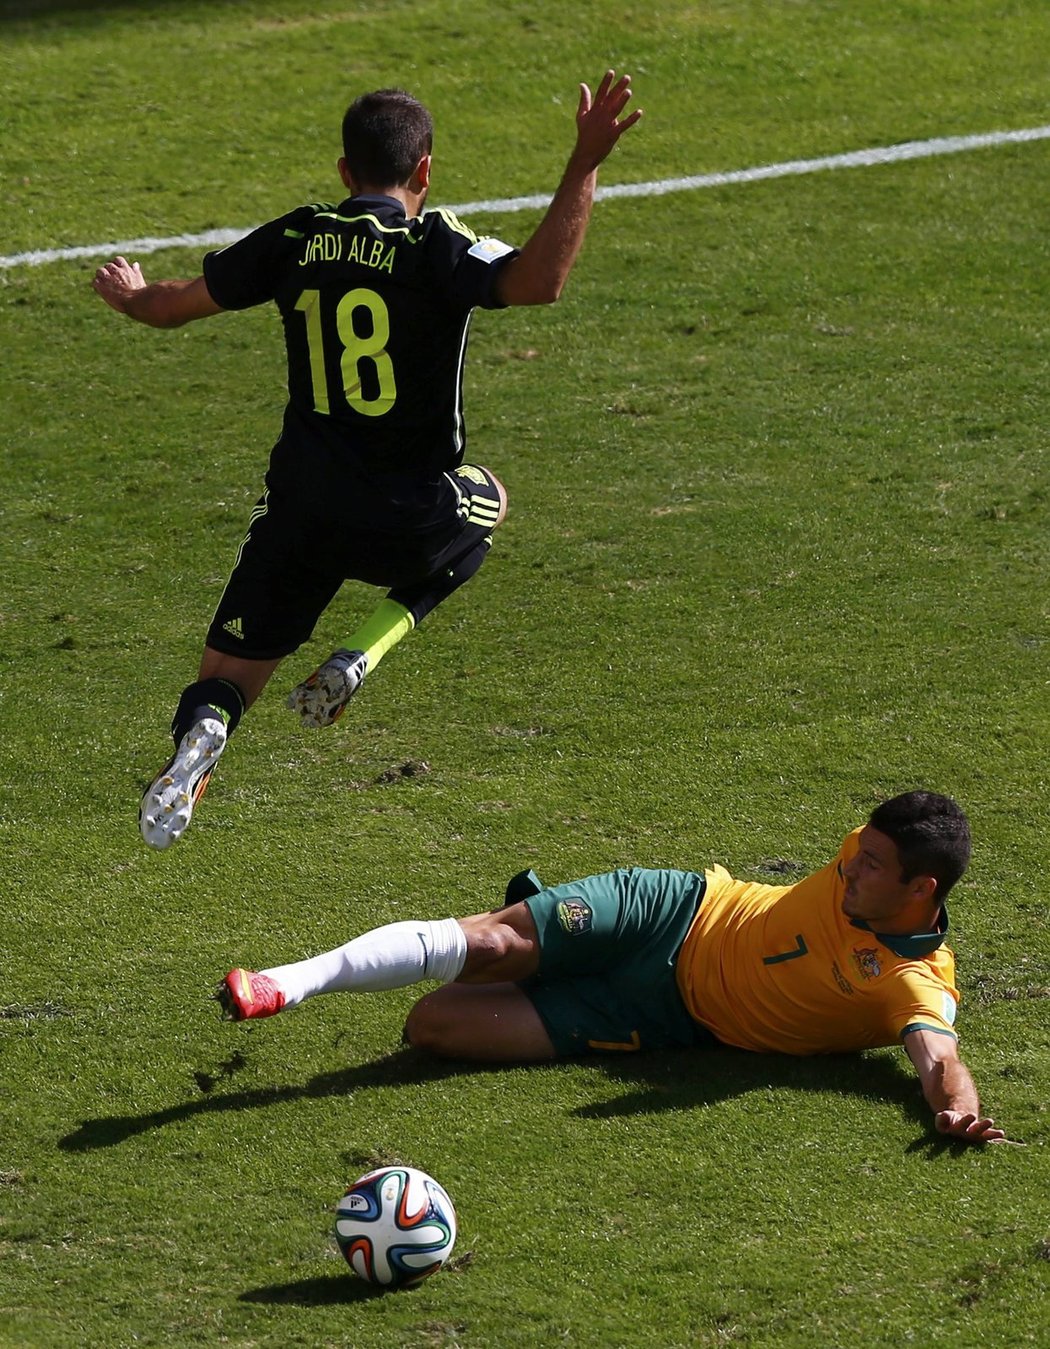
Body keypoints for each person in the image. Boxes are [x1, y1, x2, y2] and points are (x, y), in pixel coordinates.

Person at [92, 73, 642, 850]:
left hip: (302, 513)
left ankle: (202, 736)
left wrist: (130, 293)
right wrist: (585, 161)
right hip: (406, 519)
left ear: (345, 172)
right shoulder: (435, 243)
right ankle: (362, 653)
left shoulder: (297, 237)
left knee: (225, 676)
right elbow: (540, 280)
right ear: (423, 172)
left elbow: (172, 305)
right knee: (486, 499)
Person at [217, 790, 1007, 1144]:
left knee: (436, 1023)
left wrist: (958, 1112)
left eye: (870, 867)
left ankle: (547, 947)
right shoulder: (866, 854)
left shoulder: (912, 982)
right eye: (856, 852)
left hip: (663, 1017)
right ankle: (288, 982)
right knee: (494, 942)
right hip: (675, 907)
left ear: (919, 889)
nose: (848, 870)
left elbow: (939, 1060)